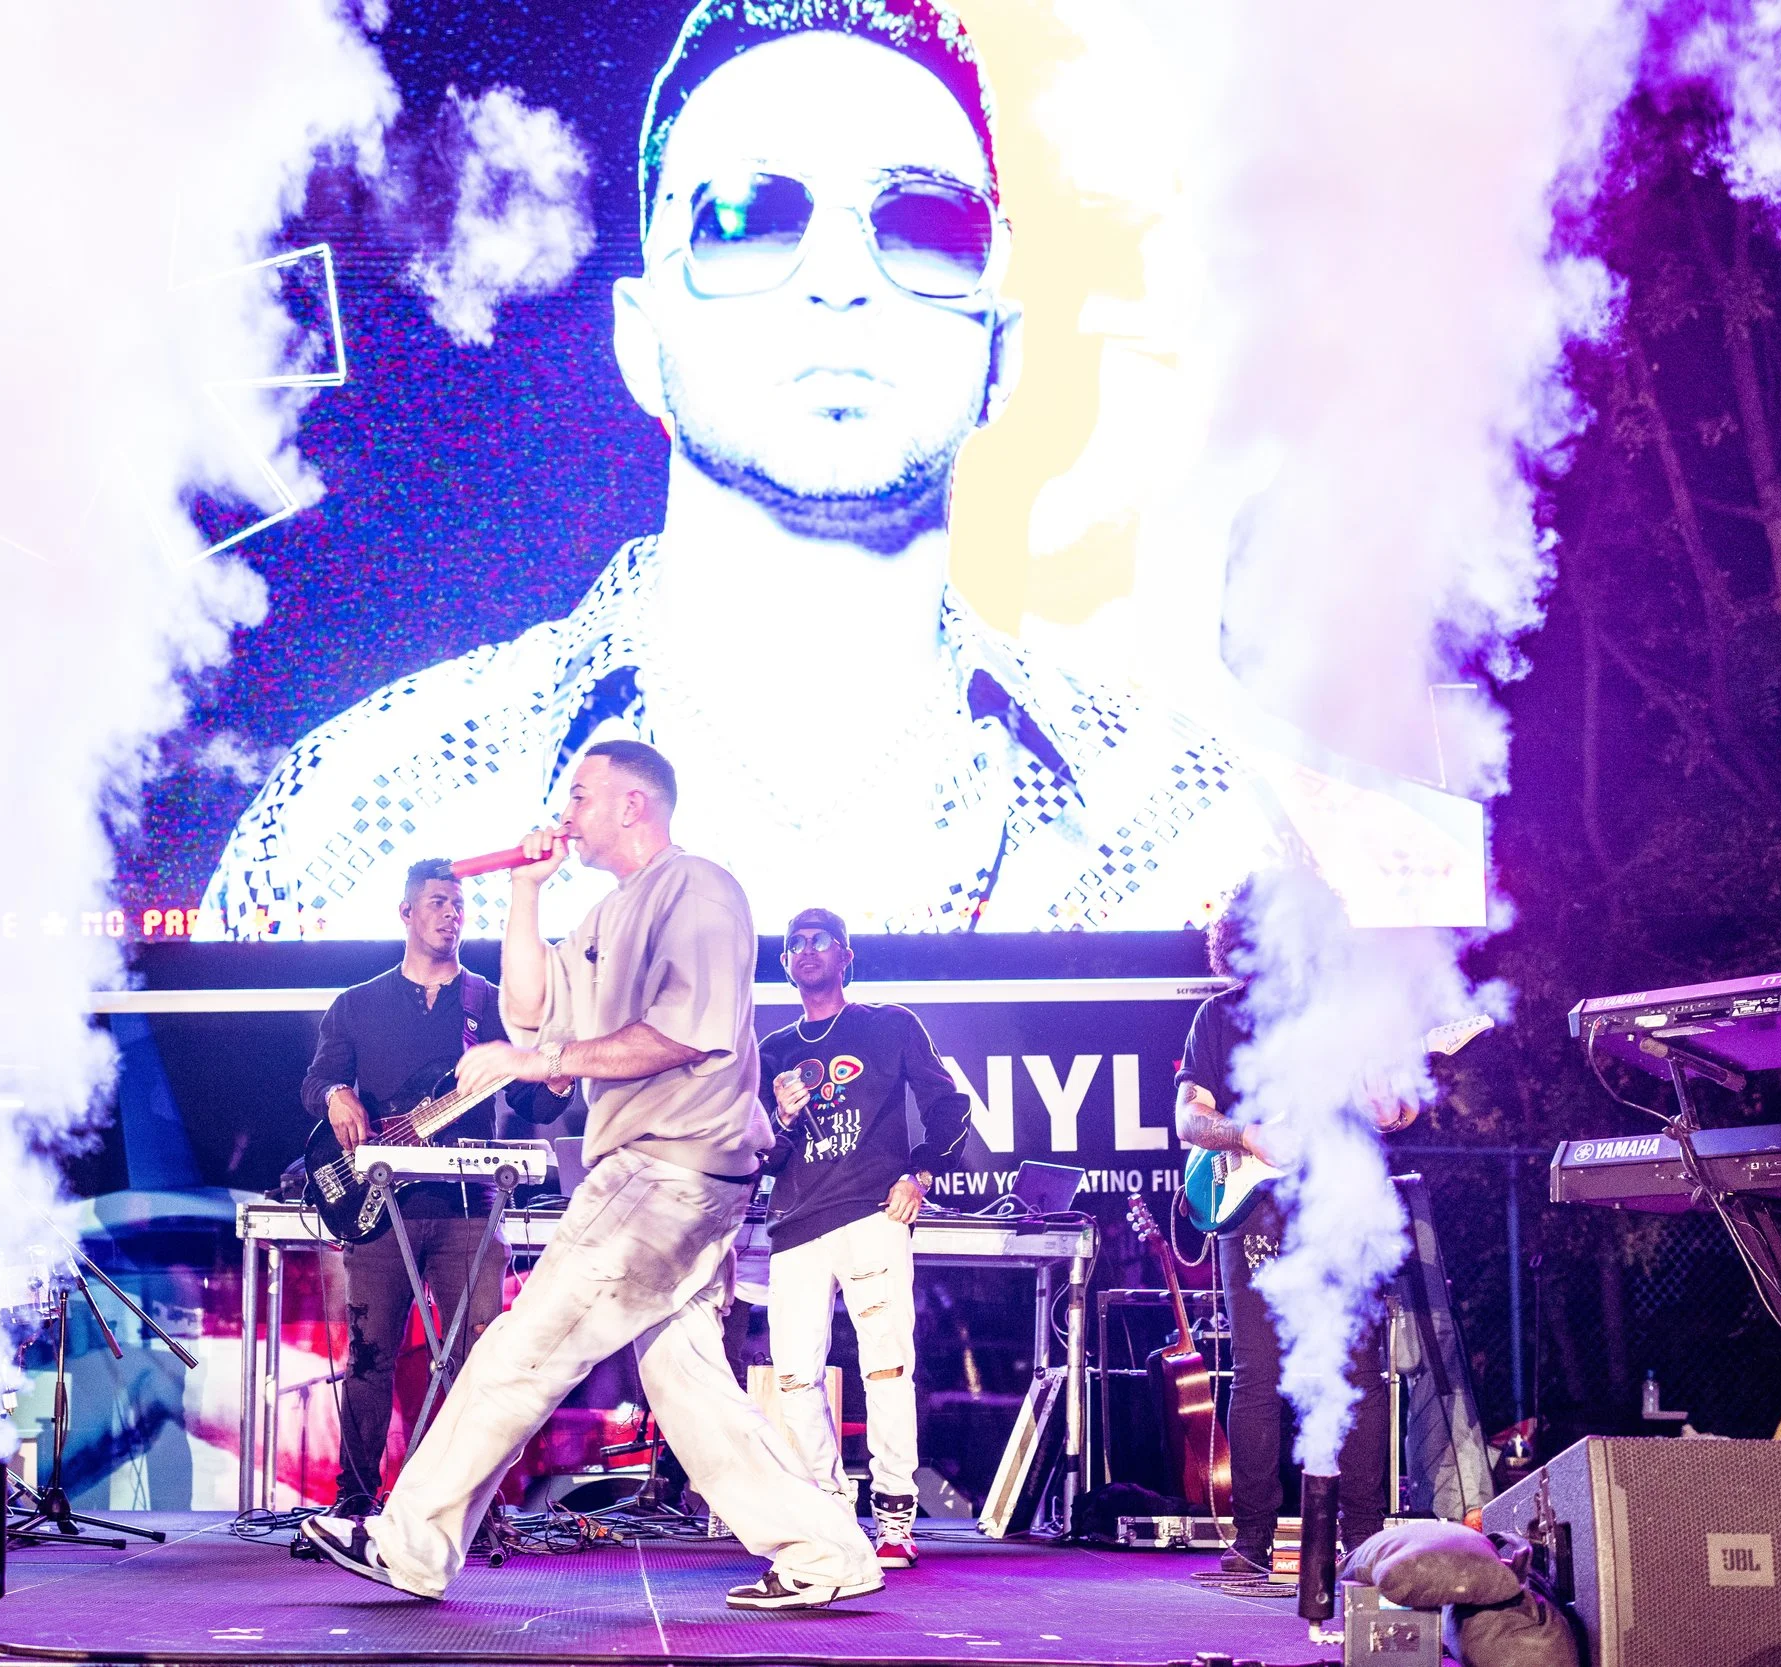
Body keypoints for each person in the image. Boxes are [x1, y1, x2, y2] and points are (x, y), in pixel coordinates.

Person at [199, 0, 1483, 943]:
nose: (838, 277)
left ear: (1000, 347)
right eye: (745, 218)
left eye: (920, 224)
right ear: (640, 340)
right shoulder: (352, 825)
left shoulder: (1200, 837)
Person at [301, 740, 883, 1610]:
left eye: (579, 795)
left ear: (632, 805)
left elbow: (683, 1032)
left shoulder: (699, 890)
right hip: (658, 1176)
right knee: (688, 1382)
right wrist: (527, 891)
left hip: (666, 1174)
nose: (564, 812)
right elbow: (530, 1009)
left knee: (521, 1348)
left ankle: (412, 1540)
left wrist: (539, 1063)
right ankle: (825, 1548)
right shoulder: (608, 914)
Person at [300, 858, 568, 1515]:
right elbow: (317, 1079)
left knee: (480, 1356)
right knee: (370, 1357)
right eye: (439, 902)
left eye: (459, 904)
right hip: (378, 1206)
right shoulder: (356, 1004)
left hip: (467, 1210)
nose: (452, 914)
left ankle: (475, 1504)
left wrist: (559, 1078)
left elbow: (532, 1103)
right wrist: (335, 1095)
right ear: (406, 913)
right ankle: (355, 1499)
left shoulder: (490, 1004)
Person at [1170, 891, 1405, 1574]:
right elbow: (1188, 1119)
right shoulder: (1219, 1017)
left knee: (1356, 1367)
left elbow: (1398, 1108)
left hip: (1340, 1201)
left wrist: (1388, 1104)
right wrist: (1247, 1135)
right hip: (1254, 1207)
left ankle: (1364, 1539)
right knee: (1257, 1373)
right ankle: (1252, 1540)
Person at [758, 906, 970, 1571]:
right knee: (794, 1376)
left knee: (886, 1366)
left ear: (846, 955)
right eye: (795, 943)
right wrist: (780, 1120)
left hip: (873, 1214)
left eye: (821, 939)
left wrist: (920, 1172)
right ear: (785, 963)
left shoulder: (888, 1025)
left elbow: (948, 1106)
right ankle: (827, 1511)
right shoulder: (773, 1051)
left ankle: (895, 1516)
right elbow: (763, 1155)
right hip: (796, 1224)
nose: (807, 949)